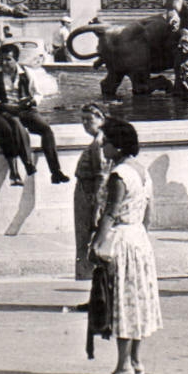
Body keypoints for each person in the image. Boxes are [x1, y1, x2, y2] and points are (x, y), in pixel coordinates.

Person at [91, 119, 162, 374]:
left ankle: (123, 368)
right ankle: (135, 362)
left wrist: (96, 244)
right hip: (138, 239)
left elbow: (109, 213)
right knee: (137, 302)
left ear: (117, 144)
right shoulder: (141, 171)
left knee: (121, 302)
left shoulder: (119, 175)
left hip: (121, 239)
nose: (101, 144)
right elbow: (148, 213)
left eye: (105, 140)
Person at [0, 42, 71, 185]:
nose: (4, 63)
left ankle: (55, 171)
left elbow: (38, 94)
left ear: (16, 59)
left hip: (25, 109)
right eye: (1, 59)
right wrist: (2, 104)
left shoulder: (27, 72)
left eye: (8, 59)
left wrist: (32, 101)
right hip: (5, 109)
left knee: (46, 129)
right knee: (16, 124)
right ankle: (28, 163)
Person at [73, 103, 109, 284]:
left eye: (89, 119)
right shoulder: (98, 141)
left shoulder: (99, 144)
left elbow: (101, 177)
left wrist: (97, 207)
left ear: (101, 119)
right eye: (82, 120)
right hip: (86, 193)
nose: (85, 123)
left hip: (89, 196)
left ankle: (92, 284)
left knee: (87, 241)